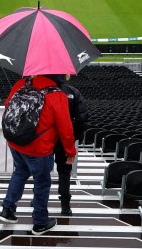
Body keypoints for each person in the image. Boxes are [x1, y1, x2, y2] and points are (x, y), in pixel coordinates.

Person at [0, 74, 76, 235]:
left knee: (19, 172)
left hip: (16, 142)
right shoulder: (57, 94)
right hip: (39, 148)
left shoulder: (22, 83)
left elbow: (8, 105)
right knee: (42, 183)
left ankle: (7, 209)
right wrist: (70, 151)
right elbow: (66, 128)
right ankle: (40, 222)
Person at [54, 76, 87, 216]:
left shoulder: (41, 91)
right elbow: (82, 117)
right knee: (65, 172)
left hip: (46, 137)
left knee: (41, 171)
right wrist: (75, 137)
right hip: (65, 137)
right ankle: (65, 206)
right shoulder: (73, 92)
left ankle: (37, 200)